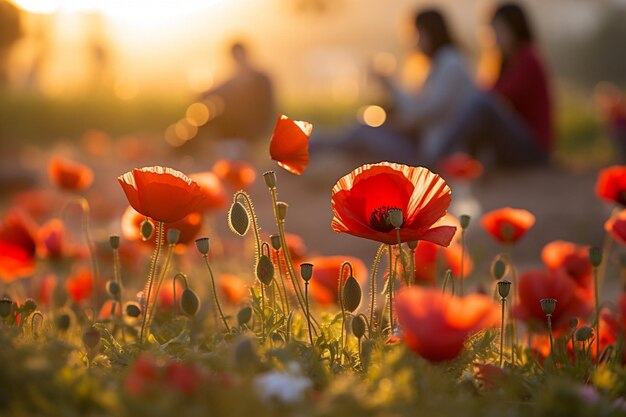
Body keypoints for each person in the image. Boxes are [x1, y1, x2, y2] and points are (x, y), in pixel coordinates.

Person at [311, 9, 477, 166]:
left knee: (363, 131)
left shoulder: (450, 64)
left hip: (432, 155)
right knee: (363, 129)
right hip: (427, 146)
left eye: (415, 34)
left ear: (427, 33)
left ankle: (311, 145)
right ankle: (313, 144)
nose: (413, 41)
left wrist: (391, 84)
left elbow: (422, 111)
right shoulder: (444, 62)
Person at [432, 2, 553, 168]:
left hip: (536, 151)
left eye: (499, 30)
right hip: (523, 147)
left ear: (514, 28)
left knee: (480, 103)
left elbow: (495, 96)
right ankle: (459, 161)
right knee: (477, 106)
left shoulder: (527, 58)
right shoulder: (507, 61)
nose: (494, 37)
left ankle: (437, 156)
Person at [190, 41, 275, 157]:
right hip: (240, 127)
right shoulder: (237, 78)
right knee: (206, 115)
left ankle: (191, 149)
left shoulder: (259, 79)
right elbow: (210, 93)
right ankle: (191, 147)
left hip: (251, 128)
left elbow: (265, 110)